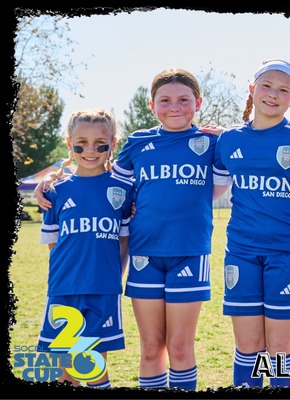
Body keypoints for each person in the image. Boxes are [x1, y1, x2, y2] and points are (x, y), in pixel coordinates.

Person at [37, 69, 229, 390]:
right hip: (143, 256)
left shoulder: (213, 142)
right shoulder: (138, 142)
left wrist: (229, 134)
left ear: (198, 103)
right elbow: (102, 178)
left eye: (183, 100)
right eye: (165, 100)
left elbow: (233, 172)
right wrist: (53, 176)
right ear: (152, 105)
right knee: (151, 348)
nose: (174, 106)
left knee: (180, 347)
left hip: (189, 253)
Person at [212, 59, 290, 388]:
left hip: (287, 253)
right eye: (267, 86)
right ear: (252, 89)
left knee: (281, 349)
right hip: (241, 253)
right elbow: (208, 192)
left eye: (283, 90)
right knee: (248, 347)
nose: (273, 94)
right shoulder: (228, 140)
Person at [37, 109, 131, 389]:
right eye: (81, 143)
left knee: (93, 366)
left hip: (103, 290)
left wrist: (113, 276)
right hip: (64, 290)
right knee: (64, 371)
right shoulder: (55, 191)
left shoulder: (124, 190)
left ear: (112, 144)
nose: (90, 150)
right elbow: (55, 245)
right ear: (69, 144)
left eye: (100, 144)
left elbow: (124, 242)